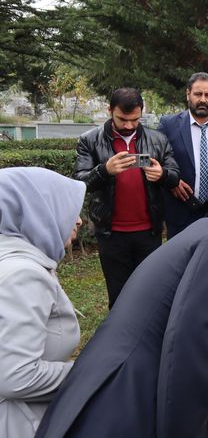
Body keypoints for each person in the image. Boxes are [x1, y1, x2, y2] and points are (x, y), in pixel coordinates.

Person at [36, 177, 208, 438]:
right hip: (131, 407)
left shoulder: (207, 229)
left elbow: (185, 330)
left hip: (104, 394)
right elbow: (194, 350)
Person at [74, 87, 180, 308]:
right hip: (111, 233)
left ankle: (149, 337)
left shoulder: (158, 140)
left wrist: (162, 175)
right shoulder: (90, 140)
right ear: (110, 110)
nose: (129, 125)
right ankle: (119, 338)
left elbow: (174, 177)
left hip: (148, 231)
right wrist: (104, 170)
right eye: (122, 119)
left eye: (135, 119)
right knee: (118, 293)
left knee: (151, 291)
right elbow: (79, 183)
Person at [0, 168, 85, 438]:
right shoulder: (22, 274)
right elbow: (16, 377)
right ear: (39, 212)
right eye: (66, 208)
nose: (79, 220)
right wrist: (90, 373)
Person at [158, 72, 208, 237]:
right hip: (180, 212)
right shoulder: (169, 125)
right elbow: (155, 159)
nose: (203, 99)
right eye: (197, 94)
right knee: (181, 261)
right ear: (188, 94)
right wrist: (170, 179)